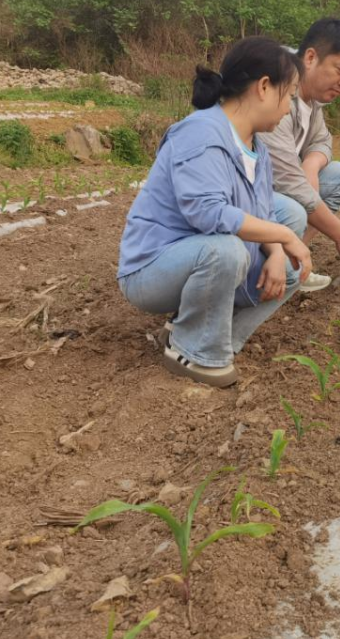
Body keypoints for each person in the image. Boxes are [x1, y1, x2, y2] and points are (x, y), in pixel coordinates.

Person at [117, 37, 312, 387]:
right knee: (228, 249)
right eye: (291, 94)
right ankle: (192, 350)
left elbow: (266, 212)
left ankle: (216, 337)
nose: (290, 108)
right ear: (264, 87)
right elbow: (209, 214)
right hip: (151, 269)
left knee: (289, 261)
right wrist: (282, 237)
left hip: (199, 258)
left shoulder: (258, 149)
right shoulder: (201, 133)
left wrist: (278, 252)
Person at [259, 18, 340, 291]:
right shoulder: (277, 89)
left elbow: (322, 140)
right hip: (247, 195)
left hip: (272, 190)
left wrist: (312, 162)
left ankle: (293, 264)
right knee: (294, 208)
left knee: (337, 176)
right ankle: (271, 272)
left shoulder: (312, 101)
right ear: (310, 57)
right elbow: (287, 181)